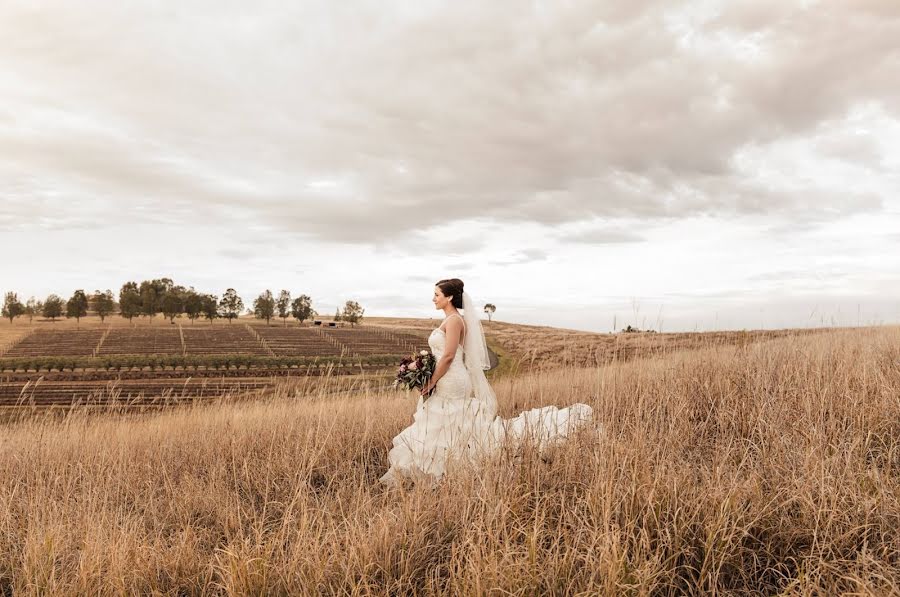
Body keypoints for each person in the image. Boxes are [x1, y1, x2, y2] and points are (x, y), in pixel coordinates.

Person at [379, 278, 594, 487]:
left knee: (448, 420)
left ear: (450, 297)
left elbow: (449, 356)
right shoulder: (448, 319)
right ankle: (439, 469)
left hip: (452, 378)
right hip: (447, 375)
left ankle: (445, 469)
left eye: (437, 295)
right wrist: (421, 367)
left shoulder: (454, 320)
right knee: (445, 423)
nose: (433, 298)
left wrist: (432, 380)